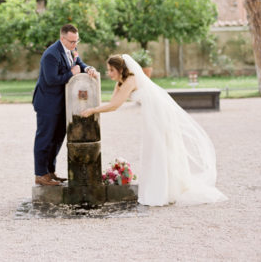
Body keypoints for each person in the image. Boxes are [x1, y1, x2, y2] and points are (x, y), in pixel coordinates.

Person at [81, 54, 227, 206]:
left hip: (158, 113)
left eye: (111, 70)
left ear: (119, 69)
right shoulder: (120, 83)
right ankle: (163, 187)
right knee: (154, 149)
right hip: (150, 113)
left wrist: (93, 111)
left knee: (158, 148)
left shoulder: (131, 80)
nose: (109, 73)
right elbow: (112, 103)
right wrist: (95, 104)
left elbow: (115, 105)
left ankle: (162, 191)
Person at [33, 24, 97, 186]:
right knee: (45, 139)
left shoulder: (71, 50)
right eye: (71, 41)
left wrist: (87, 68)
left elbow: (79, 63)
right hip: (48, 104)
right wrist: (71, 74)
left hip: (63, 104)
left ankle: (50, 172)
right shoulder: (51, 55)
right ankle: (40, 174)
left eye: (77, 41)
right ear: (62, 38)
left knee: (57, 139)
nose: (75, 45)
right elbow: (51, 80)